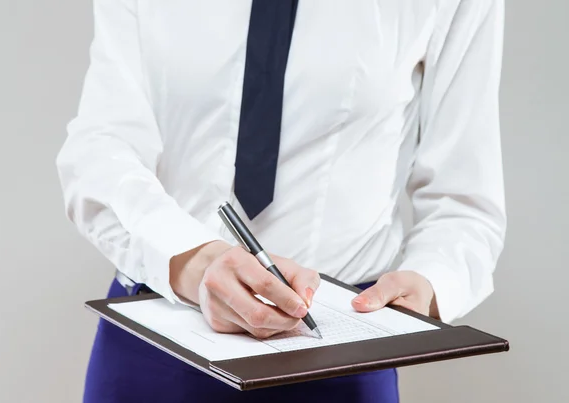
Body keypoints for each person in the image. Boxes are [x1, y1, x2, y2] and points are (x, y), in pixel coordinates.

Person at [56, 0, 506, 402]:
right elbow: (99, 150)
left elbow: (463, 198)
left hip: (336, 359)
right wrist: (193, 258)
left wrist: (429, 284)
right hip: (160, 337)